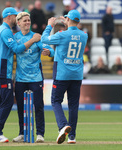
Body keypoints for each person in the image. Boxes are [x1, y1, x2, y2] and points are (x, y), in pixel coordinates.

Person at [0, 7, 41, 143]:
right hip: (2, 71)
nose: (16, 18)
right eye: (15, 16)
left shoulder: (0, 30)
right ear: (9, 16)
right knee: (8, 101)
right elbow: (16, 49)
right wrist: (33, 40)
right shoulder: (6, 31)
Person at [41, 9, 88, 144]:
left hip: (62, 74)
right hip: (77, 74)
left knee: (55, 101)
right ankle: (72, 137)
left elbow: (44, 39)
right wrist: (68, 22)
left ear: (67, 20)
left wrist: (50, 25)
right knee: (73, 105)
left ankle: (62, 126)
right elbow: (63, 50)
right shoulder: (84, 35)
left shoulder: (62, 35)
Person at [12, 12, 54, 143]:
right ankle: (22, 133)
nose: (27, 23)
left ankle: (40, 134)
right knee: (20, 107)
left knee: (38, 106)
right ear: (18, 23)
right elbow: (13, 50)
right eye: (24, 21)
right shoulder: (15, 37)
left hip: (35, 78)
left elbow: (50, 50)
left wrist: (48, 52)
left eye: (29, 20)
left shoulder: (37, 36)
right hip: (20, 78)